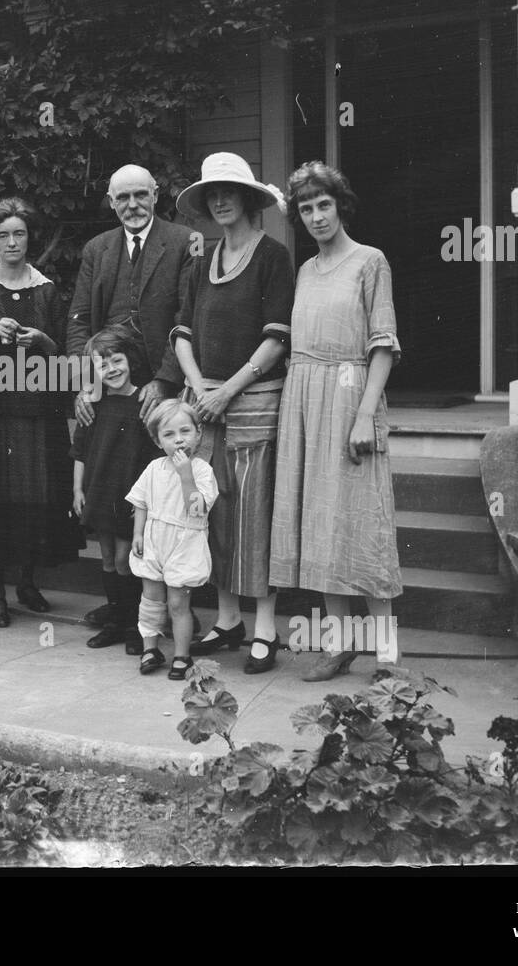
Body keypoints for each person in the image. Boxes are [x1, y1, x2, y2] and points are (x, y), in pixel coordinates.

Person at [270, 161, 403, 680]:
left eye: (324, 204)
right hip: (303, 400)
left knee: (362, 522)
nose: (316, 216)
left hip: (350, 399)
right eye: (306, 209)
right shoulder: (305, 270)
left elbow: (383, 344)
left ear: (340, 205)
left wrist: (365, 415)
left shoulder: (370, 261)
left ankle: (387, 653)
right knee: (321, 524)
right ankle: (339, 644)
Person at [171, 152, 294, 674]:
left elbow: (277, 338)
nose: (220, 201)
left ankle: (265, 627)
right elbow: (181, 332)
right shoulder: (202, 262)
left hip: (253, 403)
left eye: (228, 192)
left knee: (253, 516)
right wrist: (200, 385)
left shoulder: (273, 257)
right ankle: (227, 621)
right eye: (212, 194)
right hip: (204, 405)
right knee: (212, 511)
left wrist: (228, 390)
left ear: (247, 198)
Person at [67, 164, 195, 631]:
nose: (132, 205)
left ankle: (160, 611)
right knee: (110, 506)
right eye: (122, 197)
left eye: (141, 194)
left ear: (156, 195)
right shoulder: (97, 249)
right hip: (109, 392)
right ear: (111, 200)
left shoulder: (181, 242)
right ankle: (121, 610)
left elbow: (187, 316)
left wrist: (163, 380)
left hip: (157, 396)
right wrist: (86, 381)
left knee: (157, 505)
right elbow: (80, 321)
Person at [0, 197, 78, 626]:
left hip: (37, 411)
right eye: (3, 235)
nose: (12, 242)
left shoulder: (46, 289)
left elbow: (64, 354)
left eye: (19, 234)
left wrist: (43, 342)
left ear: (30, 238)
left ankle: (28, 581)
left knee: (36, 496)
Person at [70, 326, 160, 654]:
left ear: (130, 360)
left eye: (117, 360)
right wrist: (77, 490)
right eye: (102, 365)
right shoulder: (92, 405)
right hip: (99, 493)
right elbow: (80, 452)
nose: (111, 369)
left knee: (125, 559)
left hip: (131, 498)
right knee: (108, 557)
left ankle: (135, 625)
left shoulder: (144, 403)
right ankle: (115, 622)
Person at [127, 400, 218, 680]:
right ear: (158, 441)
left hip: (185, 542)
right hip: (155, 539)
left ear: (198, 434)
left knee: (178, 604)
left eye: (185, 431)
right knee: (151, 599)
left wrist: (185, 475)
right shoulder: (154, 468)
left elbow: (197, 509)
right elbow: (141, 502)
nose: (179, 440)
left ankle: (181, 655)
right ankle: (150, 649)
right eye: (169, 434)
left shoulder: (202, 470)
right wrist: (138, 534)